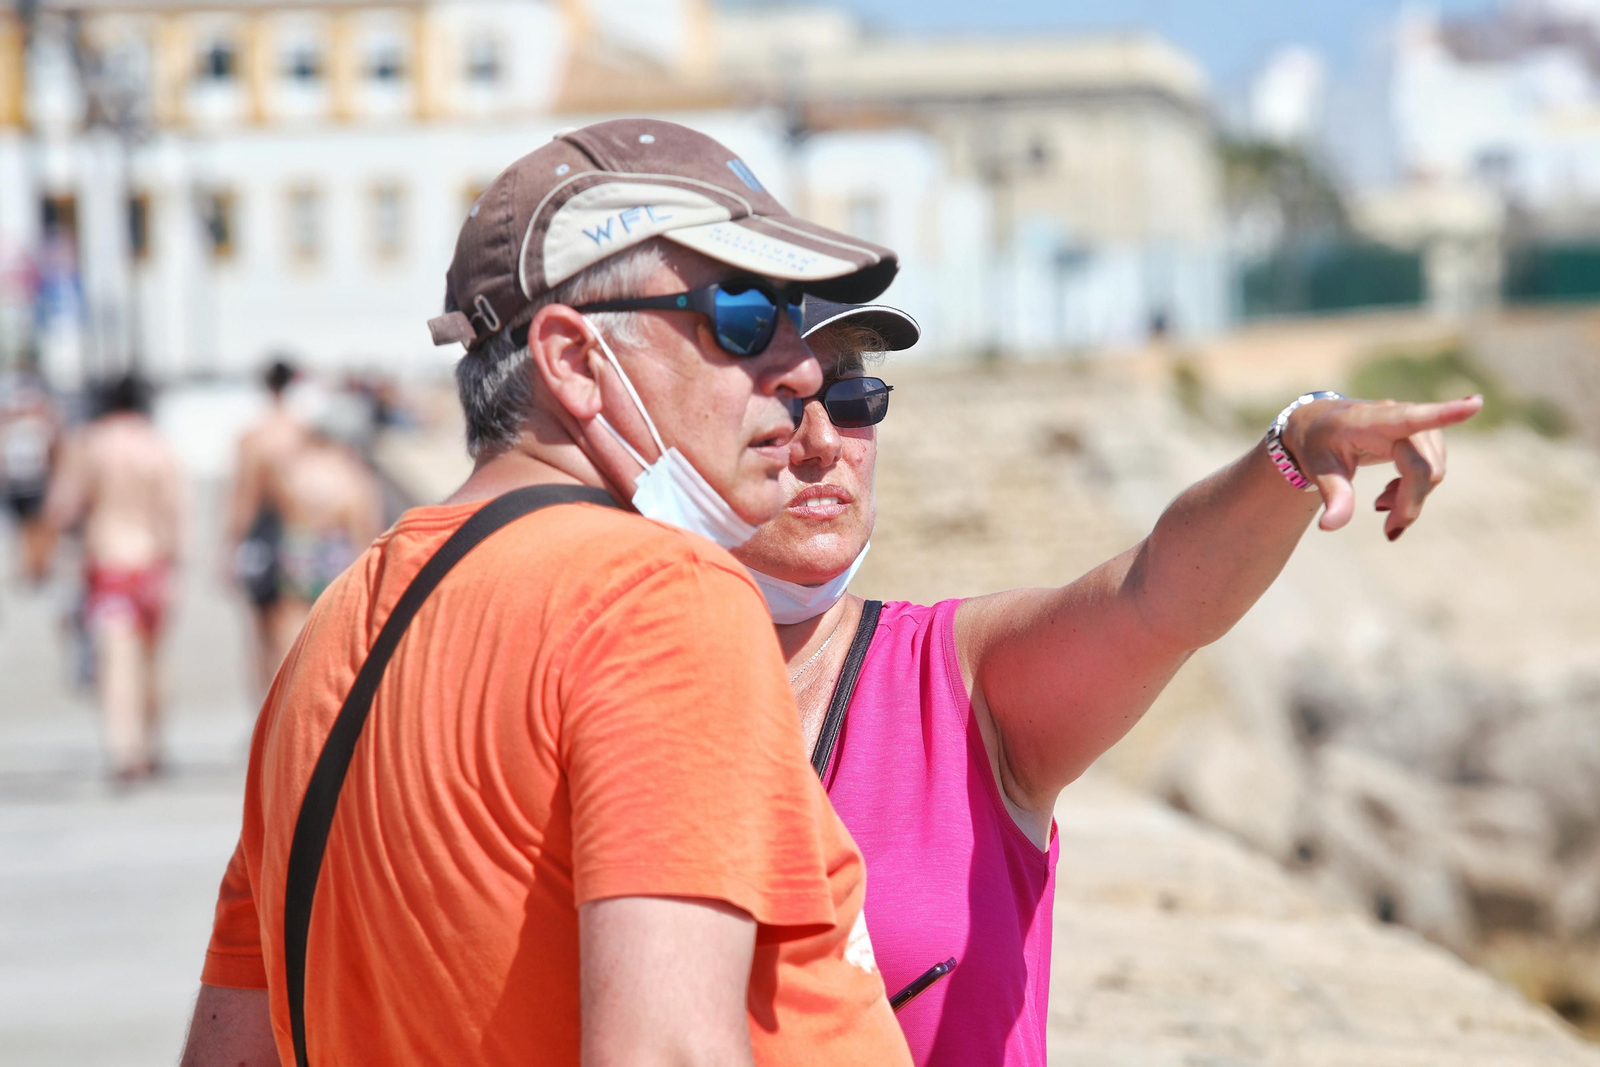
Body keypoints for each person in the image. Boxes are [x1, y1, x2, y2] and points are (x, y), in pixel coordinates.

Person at [179, 119, 912, 1067]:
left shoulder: (340, 626)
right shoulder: (658, 600)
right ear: (572, 359)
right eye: (741, 314)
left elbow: (228, 1052)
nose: (802, 367)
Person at [730, 296, 1485, 1067]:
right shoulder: (617, 687)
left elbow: (1158, 596)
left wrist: (1299, 438)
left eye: (852, 397)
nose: (823, 440)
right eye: (781, 401)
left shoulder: (952, 681)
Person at [44, 373, 184, 783]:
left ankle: (126, 750)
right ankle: (153, 744)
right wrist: (177, 567)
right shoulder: (159, 447)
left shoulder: (91, 444)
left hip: (109, 564)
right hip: (154, 564)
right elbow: (176, 513)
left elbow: (62, 507)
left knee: (117, 662)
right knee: (154, 661)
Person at [268, 380, 383, 657]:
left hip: (299, 547)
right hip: (337, 554)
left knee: (292, 634)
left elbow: (278, 508)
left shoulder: (294, 469)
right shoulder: (353, 474)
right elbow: (368, 532)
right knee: (335, 638)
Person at [224, 358, 304, 696]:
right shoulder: (306, 432)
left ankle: (267, 718)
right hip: (303, 535)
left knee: (260, 635)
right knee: (299, 629)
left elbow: (243, 499)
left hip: (263, 535)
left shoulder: (252, 437)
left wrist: (228, 548)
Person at [1, 370, 62, 584]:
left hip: (35, 480)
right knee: (25, 526)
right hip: (19, 483)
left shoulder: (40, 424)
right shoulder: (11, 426)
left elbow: (53, 449)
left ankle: (38, 565)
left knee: (37, 524)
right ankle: (32, 565)